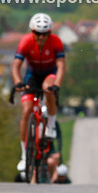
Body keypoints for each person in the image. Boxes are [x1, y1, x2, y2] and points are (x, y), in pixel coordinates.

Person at [12, 13, 65, 173]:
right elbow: (16, 65)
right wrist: (17, 83)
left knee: (48, 88)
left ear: (50, 33)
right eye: (37, 33)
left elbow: (61, 65)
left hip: (50, 73)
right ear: (32, 32)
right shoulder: (25, 41)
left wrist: (57, 85)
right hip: (32, 75)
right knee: (26, 111)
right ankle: (24, 155)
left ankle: (50, 125)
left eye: (45, 34)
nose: (41, 37)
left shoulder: (56, 42)